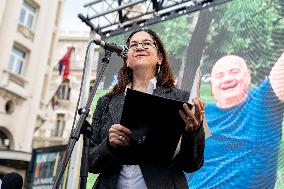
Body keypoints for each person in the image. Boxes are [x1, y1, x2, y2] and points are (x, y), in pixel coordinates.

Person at [88, 28, 205, 189]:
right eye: (133, 45)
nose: (139, 47)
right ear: (127, 60)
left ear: (160, 58)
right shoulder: (106, 102)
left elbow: (192, 164)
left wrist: (193, 133)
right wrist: (109, 144)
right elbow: (91, 163)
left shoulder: (181, 100)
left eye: (147, 43)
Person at [188, 53, 284, 188]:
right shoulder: (201, 113)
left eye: (234, 72)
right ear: (212, 86)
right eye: (219, 76)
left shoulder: (264, 102)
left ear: (248, 76)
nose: (227, 79)